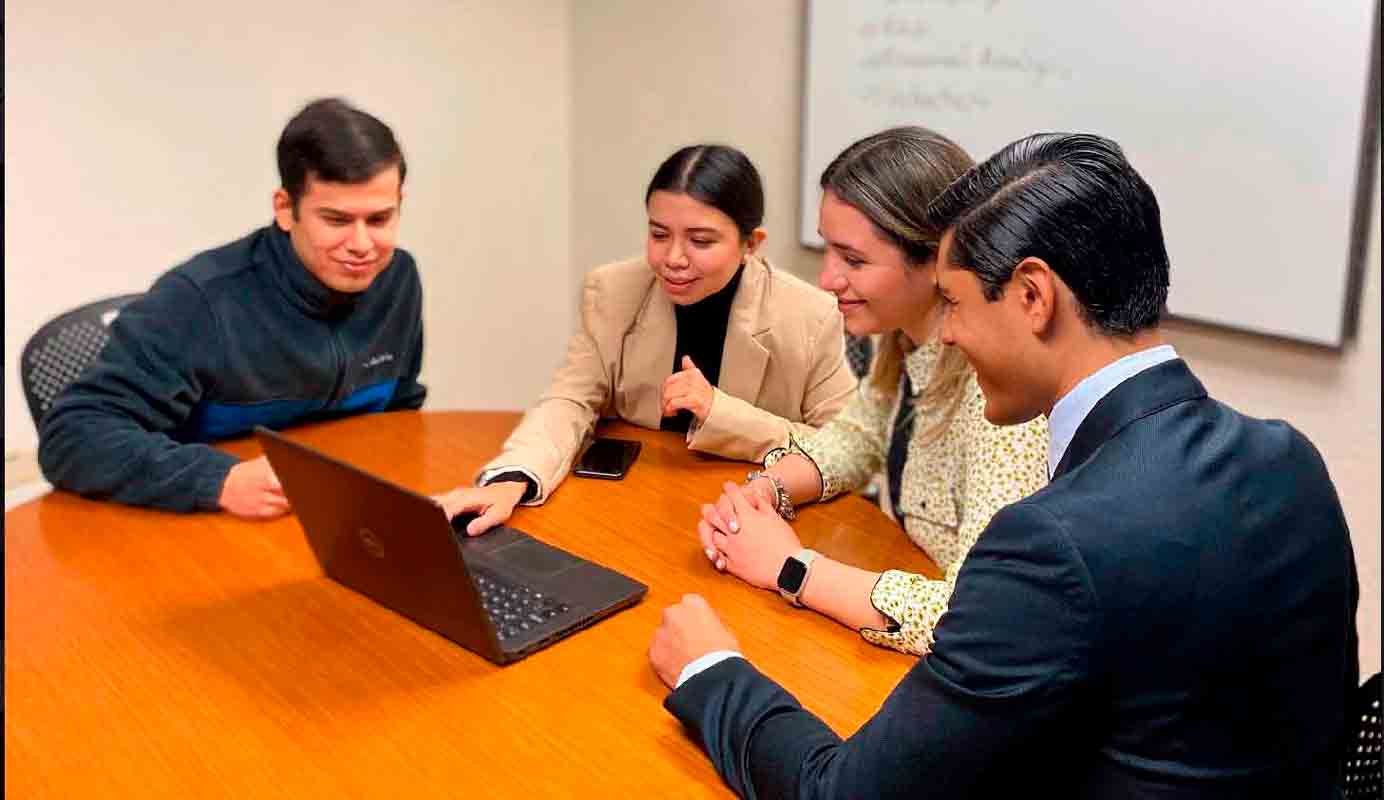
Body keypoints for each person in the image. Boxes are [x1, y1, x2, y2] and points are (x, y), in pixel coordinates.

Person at [650, 133, 1359, 797]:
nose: (948, 332)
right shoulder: (1290, 457)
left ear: (1033, 296)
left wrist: (713, 669)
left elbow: (839, 789)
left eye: (955, 304)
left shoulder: (1051, 543)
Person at [696, 127, 1048, 655]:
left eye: (853, 260)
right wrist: (767, 490)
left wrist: (788, 567)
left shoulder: (1003, 398)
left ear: (936, 262)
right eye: (828, 251)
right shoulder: (903, 341)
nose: (828, 280)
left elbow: (971, 617)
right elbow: (856, 440)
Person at [436, 145, 856, 535]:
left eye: (700, 240)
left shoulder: (809, 317)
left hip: (747, 525)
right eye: (659, 234)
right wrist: (512, 479)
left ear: (751, 244)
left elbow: (845, 453)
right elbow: (570, 399)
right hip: (629, 514)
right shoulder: (612, 290)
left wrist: (719, 411)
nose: (673, 258)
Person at [38, 98, 425, 519]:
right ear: (284, 208)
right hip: (205, 524)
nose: (362, 245)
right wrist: (216, 480)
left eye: (380, 219)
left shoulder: (397, 278)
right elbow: (71, 435)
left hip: (328, 517)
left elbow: (398, 411)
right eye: (335, 220)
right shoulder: (197, 300)